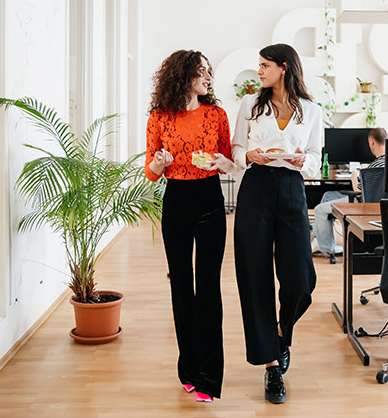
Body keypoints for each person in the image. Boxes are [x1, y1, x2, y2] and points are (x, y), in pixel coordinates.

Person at [231, 43, 321, 405]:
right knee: (254, 276)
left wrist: (302, 162)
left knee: (301, 279)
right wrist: (248, 155)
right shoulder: (250, 105)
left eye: (265, 66)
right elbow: (236, 150)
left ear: (284, 68)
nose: (260, 72)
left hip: (291, 187)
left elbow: (316, 156)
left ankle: (282, 332)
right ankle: (272, 366)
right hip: (256, 187)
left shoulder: (312, 110)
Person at [145, 50, 232, 403]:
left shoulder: (217, 115)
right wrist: (160, 162)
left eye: (209, 72)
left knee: (209, 287)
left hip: (210, 200)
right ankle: (189, 369)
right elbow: (150, 173)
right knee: (181, 286)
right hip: (177, 201)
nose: (208, 78)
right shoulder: (159, 117)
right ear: (182, 76)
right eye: (201, 72)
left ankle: (210, 377)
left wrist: (220, 161)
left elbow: (228, 163)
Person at [310, 127, 387, 256]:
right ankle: (320, 238)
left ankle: (327, 248)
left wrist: (354, 175)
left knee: (319, 209)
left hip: (362, 204)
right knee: (328, 195)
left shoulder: (374, 166)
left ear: (372, 141)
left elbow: (358, 190)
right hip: (377, 203)